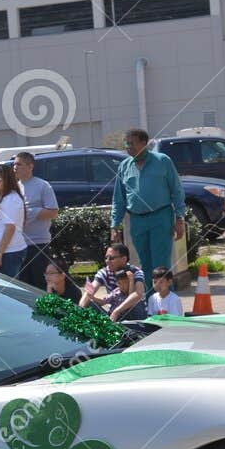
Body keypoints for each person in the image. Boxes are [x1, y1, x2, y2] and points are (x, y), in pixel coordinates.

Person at [111, 128, 185, 274]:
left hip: (161, 217)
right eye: (126, 144)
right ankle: (150, 297)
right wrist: (114, 225)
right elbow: (119, 199)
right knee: (143, 265)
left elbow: (177, 191)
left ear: (144, 143)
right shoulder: (124, 166)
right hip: (137, 221)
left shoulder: (162, 161)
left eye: (132, 143)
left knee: (160, 265)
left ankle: (164, 297)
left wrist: (179, 218)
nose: (128, 147)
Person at [12, 151, 59, 286]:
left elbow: (53, 211)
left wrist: (30, 212)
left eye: (19, 164)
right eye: (14, 164)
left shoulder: (42, 186)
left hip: (38, 245)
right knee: (23, 286)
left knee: (39, 286)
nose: (15, 167)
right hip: (18, 246)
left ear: (30, 166)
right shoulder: (14, 188)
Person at [0, 161, 29, 277]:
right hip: (3, 252)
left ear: (7, 180)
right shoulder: (1, 196)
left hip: (9, 253)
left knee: (9, 292)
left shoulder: (11, 199)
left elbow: (10, 228)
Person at [80, 244, 144, 313]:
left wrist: (117, 311)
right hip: (113, 313)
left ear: (124, 259)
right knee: (88, 303)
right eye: (106, 258)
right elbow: (89, 291)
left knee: (135, 301)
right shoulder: (104, 272)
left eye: (111, 258)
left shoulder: (135, 272)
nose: (107, 261)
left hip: (133, 312)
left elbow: (138, 294)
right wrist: (80, 310)